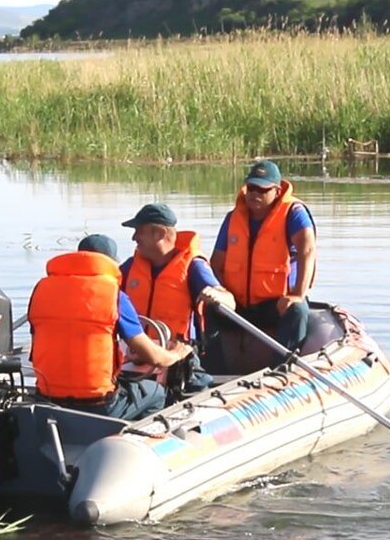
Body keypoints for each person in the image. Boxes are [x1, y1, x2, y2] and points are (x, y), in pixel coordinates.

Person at [27, 234, 192, 421]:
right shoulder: (114, 296)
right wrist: (177, 354)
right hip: (99, 405)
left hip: (48, 400)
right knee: (156, 392)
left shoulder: (41, 290)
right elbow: (155, 358)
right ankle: (135, 434)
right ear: (111, 262)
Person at [119, 202, 235, 391]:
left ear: (159, 233)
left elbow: (230, 302)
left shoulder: (193, 267)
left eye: (139, 231)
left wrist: (216, 294)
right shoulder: (131, 266)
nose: (134, 238)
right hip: (136, 354)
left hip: (178, 359)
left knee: (195, 384)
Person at [209, 159, 317, 352]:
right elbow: (216, 263)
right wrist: (222, 292)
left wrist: (298, 294)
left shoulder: (293, 213)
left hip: (277, 305)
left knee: (297, 309)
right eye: (251, 188)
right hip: (238, 305)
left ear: (277, 191)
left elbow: (307, 249)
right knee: (209, 307)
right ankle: (209, 367)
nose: (255, 194)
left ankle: (284, 365)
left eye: (262, 190)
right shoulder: (233, 218)